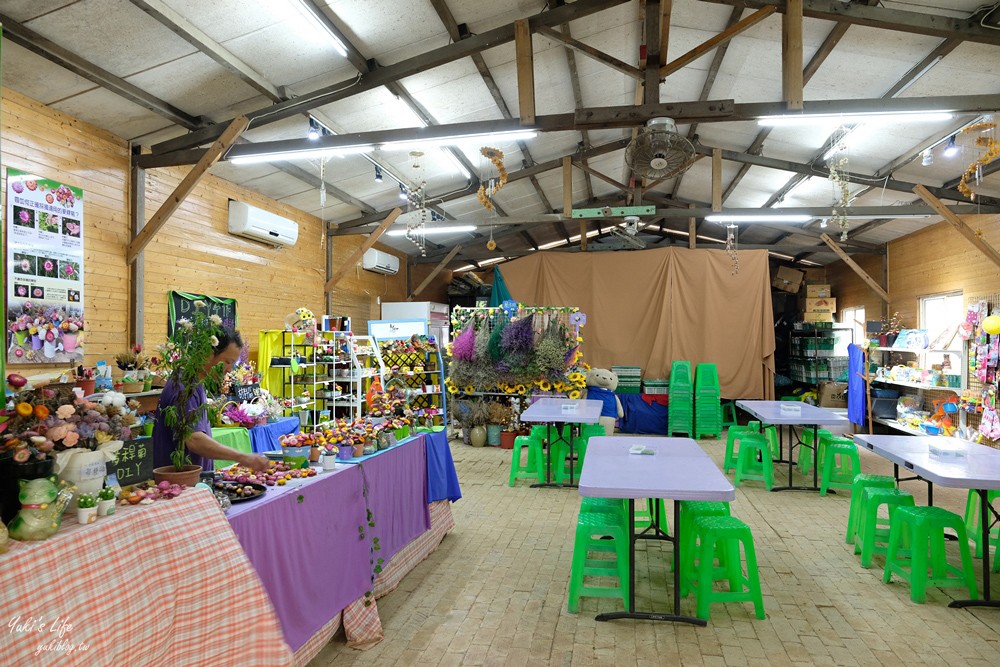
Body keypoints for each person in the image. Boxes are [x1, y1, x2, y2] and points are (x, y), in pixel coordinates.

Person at [152, 328, 269, 472]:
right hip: (180, 483)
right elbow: (194, 440)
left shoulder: (196, 383)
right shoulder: (184, 386)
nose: (229, 370)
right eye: (228, 361)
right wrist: (242, 457)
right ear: (208, 353)